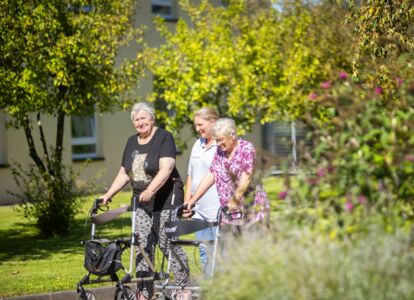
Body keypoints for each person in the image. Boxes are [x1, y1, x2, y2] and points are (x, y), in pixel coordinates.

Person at [100, 102, 190, 300]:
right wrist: (109, 195)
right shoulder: (132, 142)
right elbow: (124, 173)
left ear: (152, 118)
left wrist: (150, 189)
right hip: (141, 199)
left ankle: (183, 287)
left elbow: (166, 169)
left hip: (166, 197)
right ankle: (145, 289)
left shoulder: (164, 137)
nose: (140, 122)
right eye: (136, 119)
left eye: (143, 118)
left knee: (167, 242)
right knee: (141, 243)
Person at [184, 118, 270, 229]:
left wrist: (235, 198)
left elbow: (247, 176)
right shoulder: (220, 151)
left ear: (233, 135)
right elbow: (211, 175)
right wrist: (193, 200)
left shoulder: (246, 148)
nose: (218, 144)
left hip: (252, 212)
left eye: (221, 140)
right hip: (229, 213)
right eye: (217, 141)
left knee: (252, 245)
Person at [184, 107, 220, 278]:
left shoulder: (222, 144)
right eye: (195, 125)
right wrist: (187, 202)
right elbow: (190, 174)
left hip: (217, 208)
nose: (197, 129)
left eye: (200, 124)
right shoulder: (197, 144)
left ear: (213, 121)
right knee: (205, 255)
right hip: (199, 210)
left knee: (219, 256)